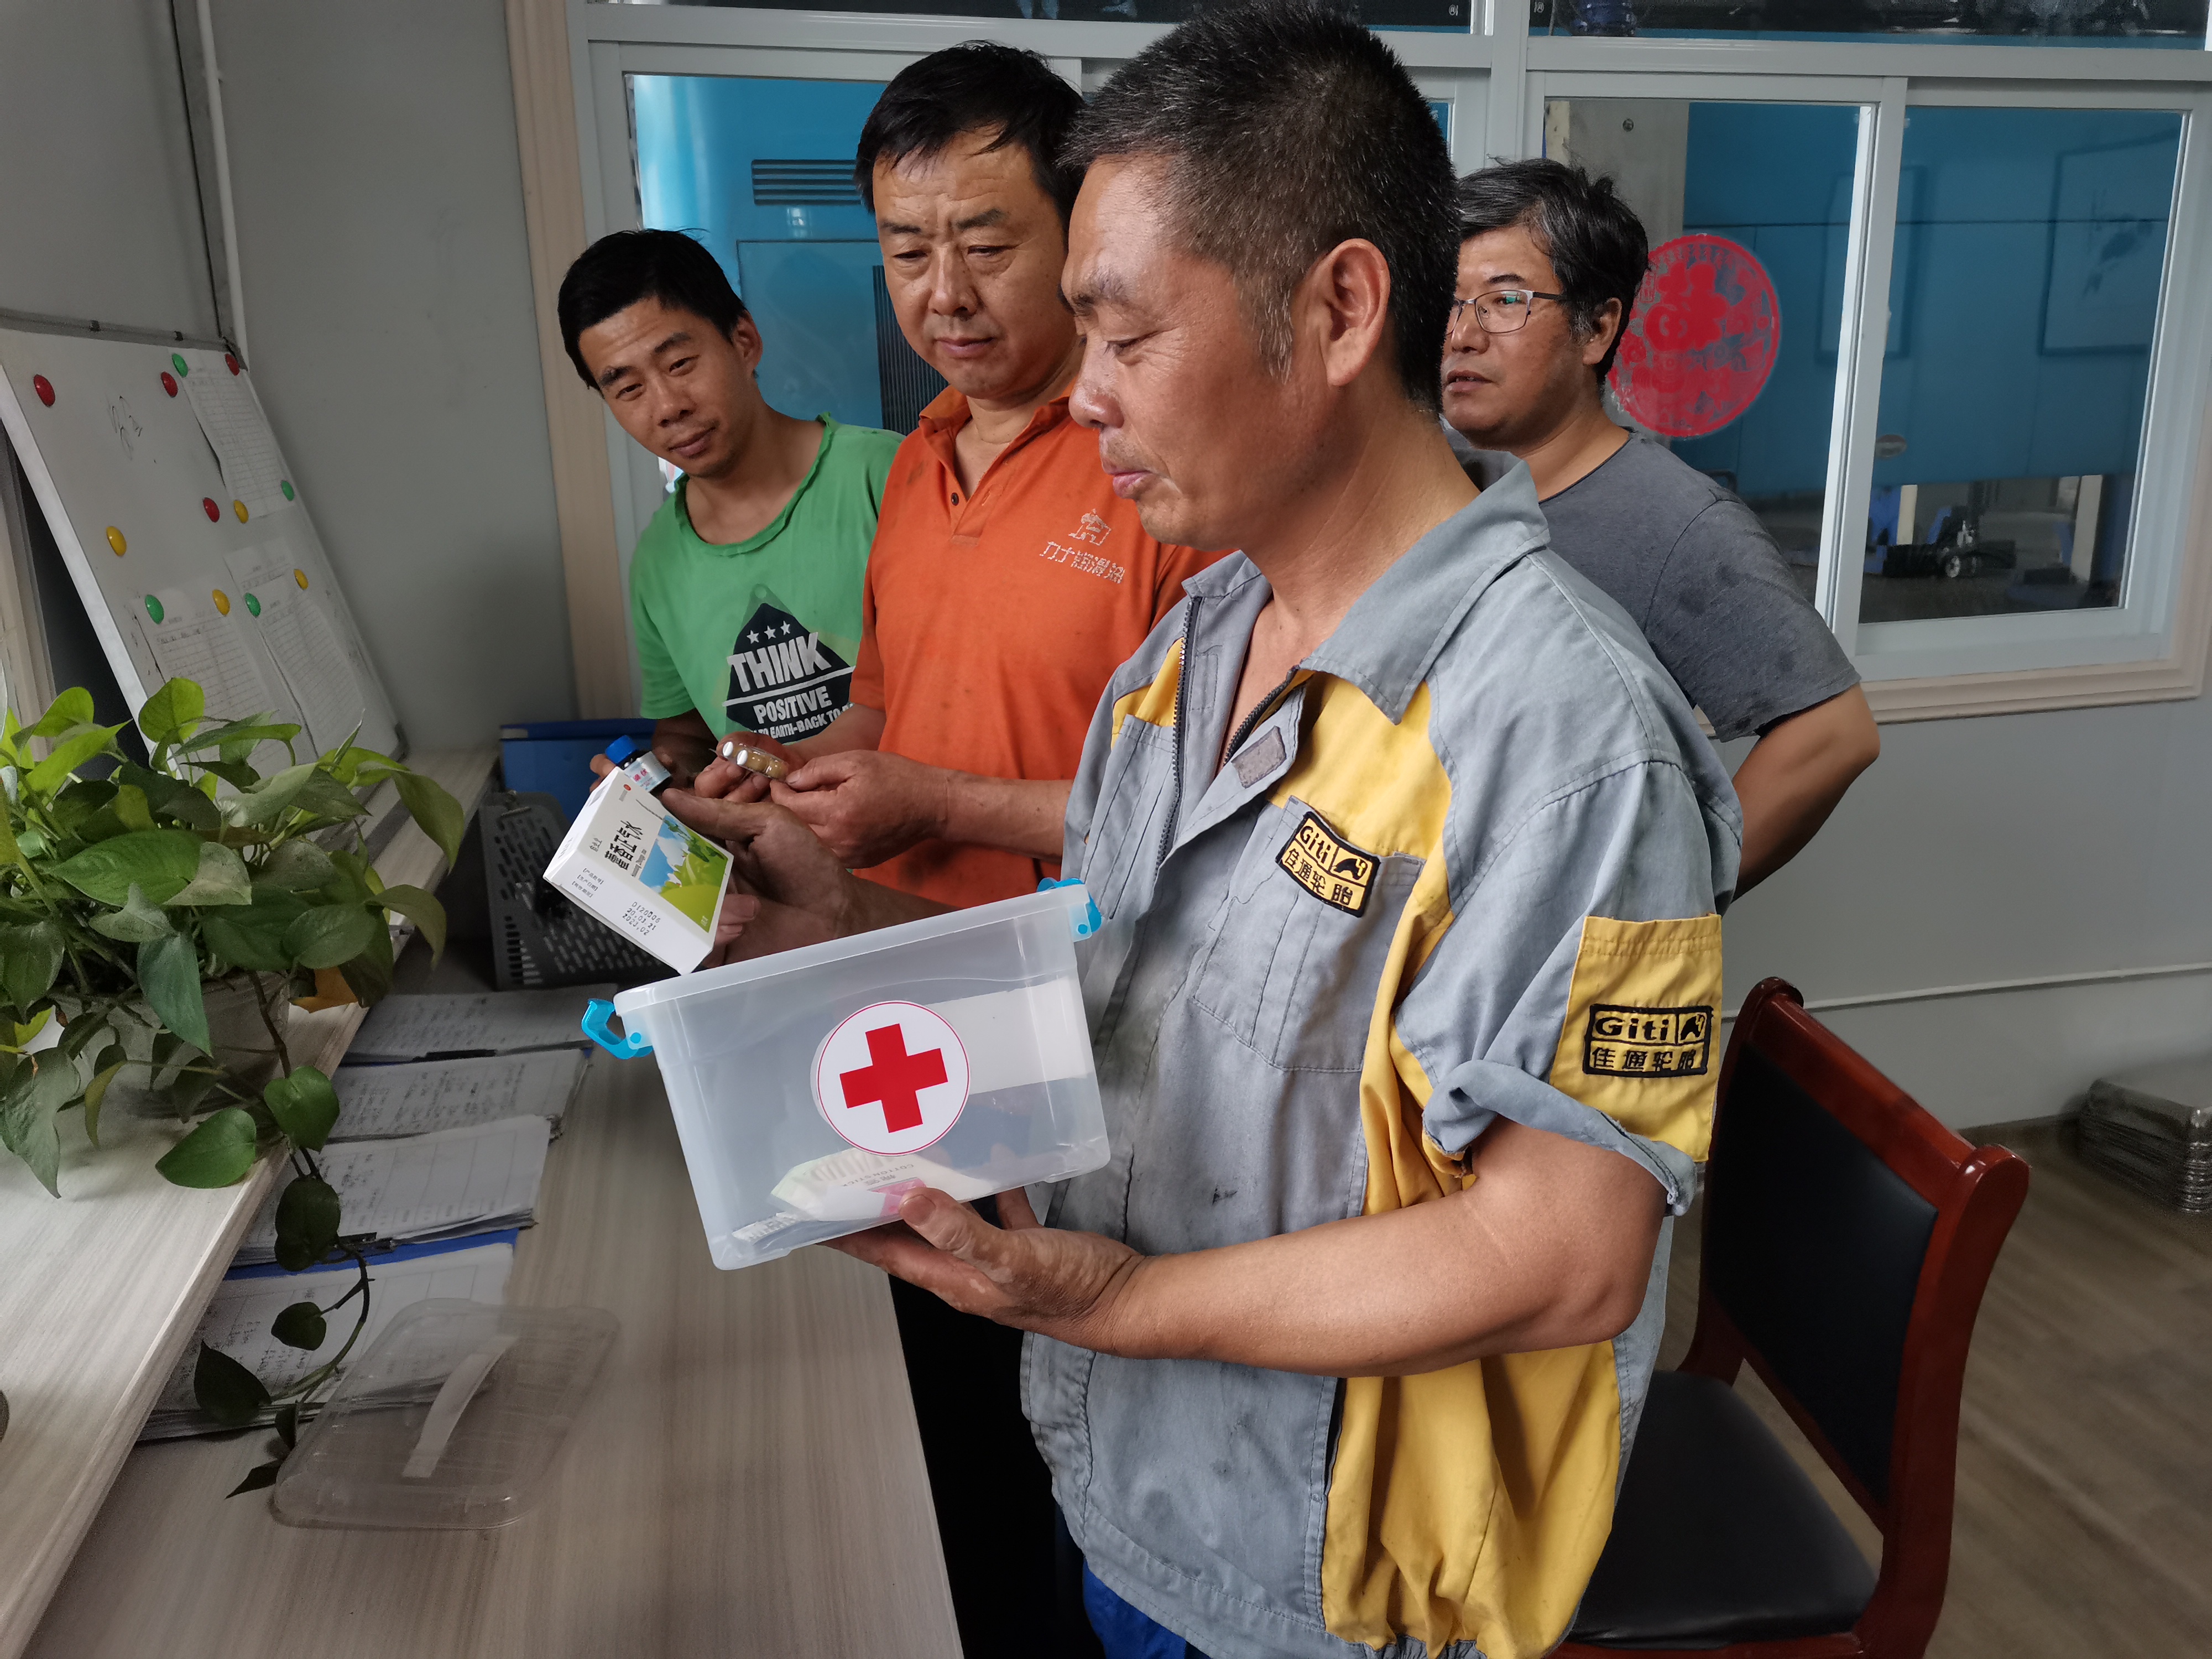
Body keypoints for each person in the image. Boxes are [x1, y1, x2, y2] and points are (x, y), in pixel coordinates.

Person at [665, 7, 1738, 1657]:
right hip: (1132, 1469)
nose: (1085, 394)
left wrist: (1126, 1301)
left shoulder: (1566, 739)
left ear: (1339, 309)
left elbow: (1562, 1254)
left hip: (1334, 1583)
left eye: (1125, 334)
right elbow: (1100, 973)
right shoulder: (1195, 643)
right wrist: (845, 919)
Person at [713, 43, 1219, 911]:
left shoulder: (1166, 467)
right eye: (909, 255)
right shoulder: (917, 459)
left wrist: (939, 806)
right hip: (894, 935)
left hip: (1071, 959)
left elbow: (1205, 796)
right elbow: (885, 712)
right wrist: (787, 770)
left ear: (1080, 239)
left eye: (986, 247)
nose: (945, 295)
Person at [1443, 159, 1879, 895]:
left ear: (1597, 328)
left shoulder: (1675, 522)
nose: (1461, 335)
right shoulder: (1444, 482)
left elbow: (1834, 735)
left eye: (1505, 300)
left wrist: (1664, 896)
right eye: (1447, 304)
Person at [557, 229, 900, 782]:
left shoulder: (888, 477)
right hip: (770, 841)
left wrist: (788, 767)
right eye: (628, 389)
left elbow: (964, 687)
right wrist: (661, 782)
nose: (667, 407)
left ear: (744, 341)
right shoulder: (658, 563)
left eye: (679, 363)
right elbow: (688, 735)